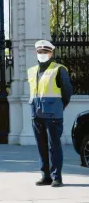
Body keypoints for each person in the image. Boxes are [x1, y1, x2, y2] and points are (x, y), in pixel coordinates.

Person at [28, 40, 73, 187]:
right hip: (36, 115)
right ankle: (45, 176)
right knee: (41, 146)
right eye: (40, 51)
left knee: (54, 147)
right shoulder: (32, 70)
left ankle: (57, 177)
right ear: (36, 53)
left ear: (51, 53)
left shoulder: (59, 69)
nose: (42, 54)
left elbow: (67, 91)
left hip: (53, 115)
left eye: (45, 51)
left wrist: (59, 106)